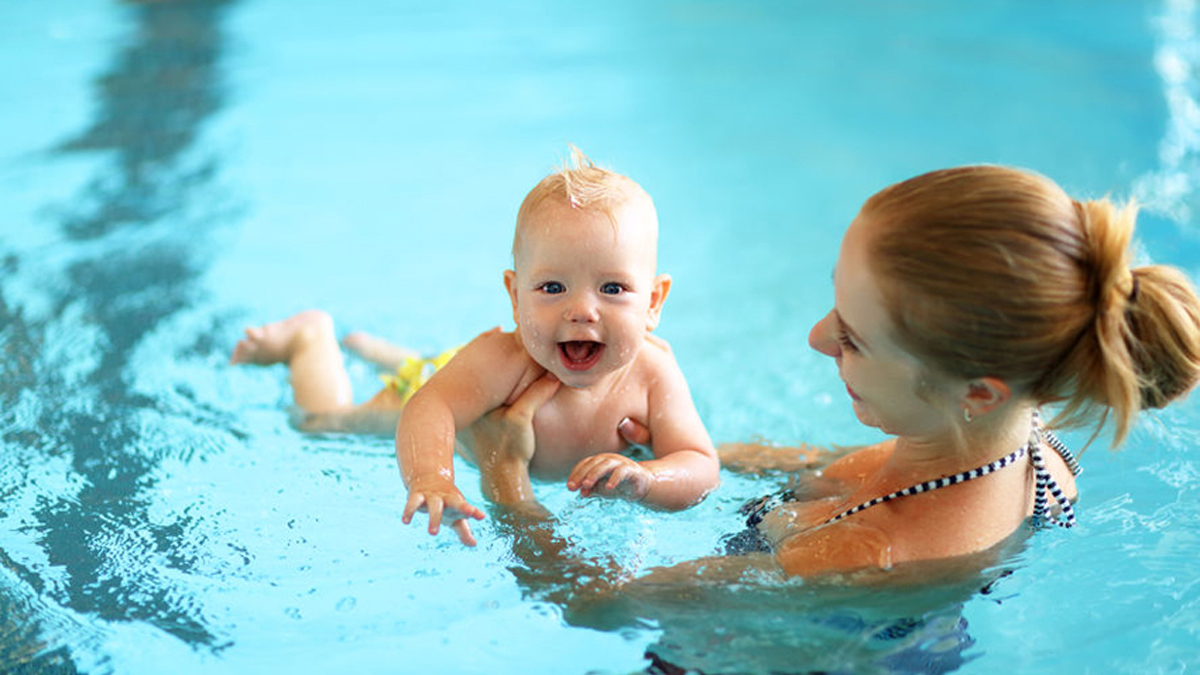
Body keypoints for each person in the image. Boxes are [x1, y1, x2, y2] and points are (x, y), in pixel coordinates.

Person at [480, 164, 1200, 579]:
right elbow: (838, 468)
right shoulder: (1024, 441)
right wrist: (664, 457)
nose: (817, 336)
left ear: (979, 390)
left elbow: (598, 604)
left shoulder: (861, 552)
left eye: (853, 336)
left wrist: (507, 480)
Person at [230, 147, 720, 546]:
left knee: (449, 371)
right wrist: (431, 474)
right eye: (552, 288)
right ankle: (309, 339)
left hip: (466, 377)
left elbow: (699, 463)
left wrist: (648, 480)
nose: (582, 311)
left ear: (654, 302)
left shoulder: (654, 373)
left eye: (612, 289)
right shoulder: (505, 360)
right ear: (514, 296)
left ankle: (383, 351)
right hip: (444, 383)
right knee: (326, 423)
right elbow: (431, 405)